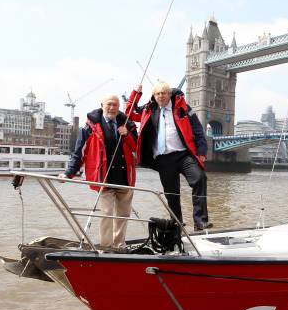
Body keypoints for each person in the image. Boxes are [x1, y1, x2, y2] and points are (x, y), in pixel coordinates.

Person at [126, 81, 212, 231]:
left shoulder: (182, 108)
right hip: (163, 158)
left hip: (184, 155)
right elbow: (129, 114)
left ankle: (200, 221)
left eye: (164, 93)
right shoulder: (149, 110)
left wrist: (202, 151)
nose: (161, 96)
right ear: (154, 96)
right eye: (157, 94)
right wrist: (136, 94)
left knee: (199, 178)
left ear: (169, 94)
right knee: (172, 193)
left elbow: (197, 129)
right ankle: (177, 224)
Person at [60, 94, 138, 249]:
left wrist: (127, 135)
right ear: (102, 105)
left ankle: (119, 246)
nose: (112, 108)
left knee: (123, 216)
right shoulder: (90, 126)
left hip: (124, 178)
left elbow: (138, 147)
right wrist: (69, 173)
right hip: (104, 178)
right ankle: (106, 247)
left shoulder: (128, 124)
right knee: (107, 214)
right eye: (109, 104)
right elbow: (79, 152)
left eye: (115, 105)